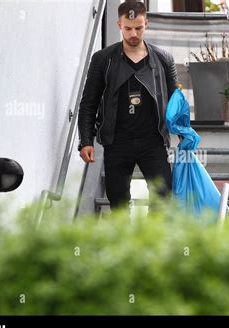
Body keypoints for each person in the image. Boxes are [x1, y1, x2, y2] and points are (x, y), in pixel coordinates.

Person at [78, 0, 178, 210]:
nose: (134, 34)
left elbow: (176, 102)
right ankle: (124, 243)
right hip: (117, 141)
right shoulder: (103, 59)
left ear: (146, 24)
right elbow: (89, 103)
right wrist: (85, 140)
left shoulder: (163, 59)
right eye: (128, 28)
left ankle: (153, 242)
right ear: (119, 25)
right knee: (119, 203)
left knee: (162, 199)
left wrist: (186, 133)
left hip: (153, 141)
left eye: (139, 28)